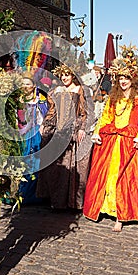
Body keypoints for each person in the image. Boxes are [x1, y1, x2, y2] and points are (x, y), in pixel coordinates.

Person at [83, 57, 138, 232]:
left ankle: (120, 215)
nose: (123, 81)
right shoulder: (114, 98)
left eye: (126, 78)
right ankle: (105, 208)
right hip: (113, 141)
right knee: (108, 176)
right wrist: (97, 132)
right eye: (121, 78)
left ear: (133, 79)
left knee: (126, 178)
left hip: (130, 143)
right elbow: (106, 118)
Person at [36, 64, 95, 212]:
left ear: (73, 75)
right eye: (62, 75)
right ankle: (56, 201)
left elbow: (85, 112)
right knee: (56, 167)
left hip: (73, 130)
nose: (64, 78)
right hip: (58, 130)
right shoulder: (57, 90)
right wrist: (45, 124)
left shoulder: (80, 90)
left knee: (71, 167)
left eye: (67, 75)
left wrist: (82, 128)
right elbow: (52, 111)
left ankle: (70, 202)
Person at [17, 72, 48, 204]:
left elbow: (45, 116)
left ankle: (31, 192)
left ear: (34, 85)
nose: (25, 86)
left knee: (35, 161)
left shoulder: (40, 100)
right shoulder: (17, 100)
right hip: (21, 133)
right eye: (23, 84)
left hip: (35, 134)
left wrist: (42, 127)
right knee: (21, 161)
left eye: (28, 84)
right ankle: (18, 191)